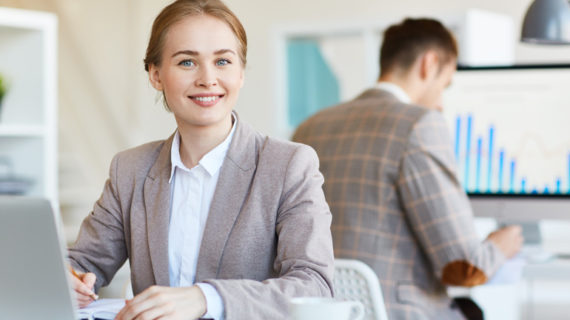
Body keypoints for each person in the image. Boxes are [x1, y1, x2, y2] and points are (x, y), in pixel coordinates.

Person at [67, 1, 334, 319]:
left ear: (241, 73)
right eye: (186, 62)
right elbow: (82, 263)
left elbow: (314, 286)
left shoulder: (289, 165)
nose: (208, 79)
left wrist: (206, 298)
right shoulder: (131, 169)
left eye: (223, 61)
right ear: (155, 75)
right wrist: (68, 279)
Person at [293, 18, 523, 320]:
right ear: (429, 64)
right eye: (446, 84)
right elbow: (465, 268)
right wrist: (503, 243)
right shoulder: (419, 125)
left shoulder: (309, 128)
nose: (441, 102)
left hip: (327, 312)